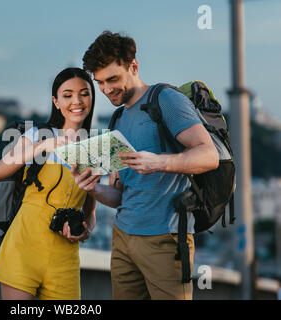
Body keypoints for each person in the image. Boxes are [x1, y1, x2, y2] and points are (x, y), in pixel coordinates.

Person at [71, 31, 219, 300]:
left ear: (134, 67)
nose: (106, 89)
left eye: (113, 79)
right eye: (100, 82)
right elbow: (119, 196)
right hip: (123, 238)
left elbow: (209, 156)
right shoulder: (116, 120)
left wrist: (159, 162)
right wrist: (92, 188)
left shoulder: (166, 100)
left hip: (165, 239)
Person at [0, 67, 97, 300]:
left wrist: (84, 231)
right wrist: (41, 147)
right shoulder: (38, 134)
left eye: (84, 93)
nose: (76, 101)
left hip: (64, 260)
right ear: (56, 102)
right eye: (67, 95)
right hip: (22, 249)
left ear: (91, 98)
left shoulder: (95, 149)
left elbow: (90, 212)